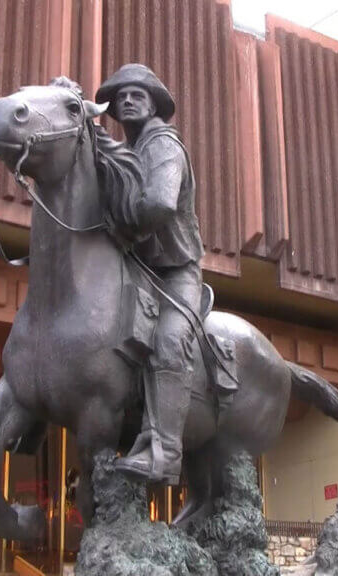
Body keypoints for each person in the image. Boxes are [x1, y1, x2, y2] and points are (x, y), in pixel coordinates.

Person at [95, 64, 204, 485]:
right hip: (135, 267)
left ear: (154, 102)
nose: (126, 99)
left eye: (136, 93)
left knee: (170, 342)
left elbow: (159, 203)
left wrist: (122, 227)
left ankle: (165, 453)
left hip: (175, 273)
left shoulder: (162, 146)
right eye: (120, 95)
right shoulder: (125, 151)